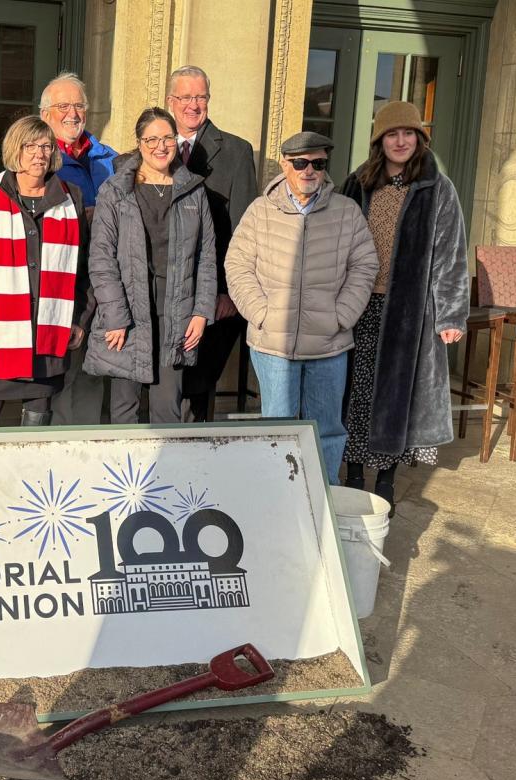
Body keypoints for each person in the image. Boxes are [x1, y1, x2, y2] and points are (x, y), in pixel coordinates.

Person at [224, 132, 379, 484]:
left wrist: (343, 316)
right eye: (301, 163)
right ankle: (278, 496)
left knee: (326, 429)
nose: (309, 170)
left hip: (329, 344)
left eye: (318, 163)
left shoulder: (346, 212)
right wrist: (261, 313)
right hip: (274, 345)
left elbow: (365, 265)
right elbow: (237, 265)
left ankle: (324, 499)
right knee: (277, 427)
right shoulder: (261, 211)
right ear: (285, 164)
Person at [340, 101, 469, 512]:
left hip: (408, 312)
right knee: (357, 393)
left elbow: (451, 255)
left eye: (408, 133)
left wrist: (450, 314)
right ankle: (356, 473)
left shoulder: (436, 189)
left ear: (419, 138)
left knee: (396, 397)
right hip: (358, 306)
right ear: (379, 140)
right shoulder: (357, 184)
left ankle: (386, 481)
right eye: (392, 134)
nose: (400, 141)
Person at [84, 107, 217, 424]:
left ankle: (165, 473)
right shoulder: (115, 192)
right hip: (127, 313)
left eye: (167, 138)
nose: (161, 146)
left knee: (168, 406)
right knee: (124, 407)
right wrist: (115, 316)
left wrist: (201, 312)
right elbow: (101, 257)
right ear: (139, 143)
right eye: (152, 139)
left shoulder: (193, 191)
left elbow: (206, 256)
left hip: (175, 313)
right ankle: (124, 473)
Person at [0, 116, 89, 427]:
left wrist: (79, 318)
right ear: (15, 149)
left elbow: (84, 268)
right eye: (30, 146)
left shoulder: (71, 198)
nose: (39, 154)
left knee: (37, 423)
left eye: (45, 146)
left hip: (48, 329)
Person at [164, 66, 258, 421]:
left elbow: (243, 229)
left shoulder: (235, 151)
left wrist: (228, 291)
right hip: (166, 293)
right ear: (171, 101)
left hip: (214, 297)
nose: (193, 105)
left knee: (198, 392)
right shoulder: (156, 147)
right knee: (165, 390)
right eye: (186, 97)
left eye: (200, 97)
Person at [38, 72, 118, 425]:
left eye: (79, 105)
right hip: (60, 283)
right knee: (58, 377)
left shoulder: (111, 160)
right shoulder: (38, 160)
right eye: (62, 106)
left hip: (105, 283)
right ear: (45, 115)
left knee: (92, 375)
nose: (72, 113)